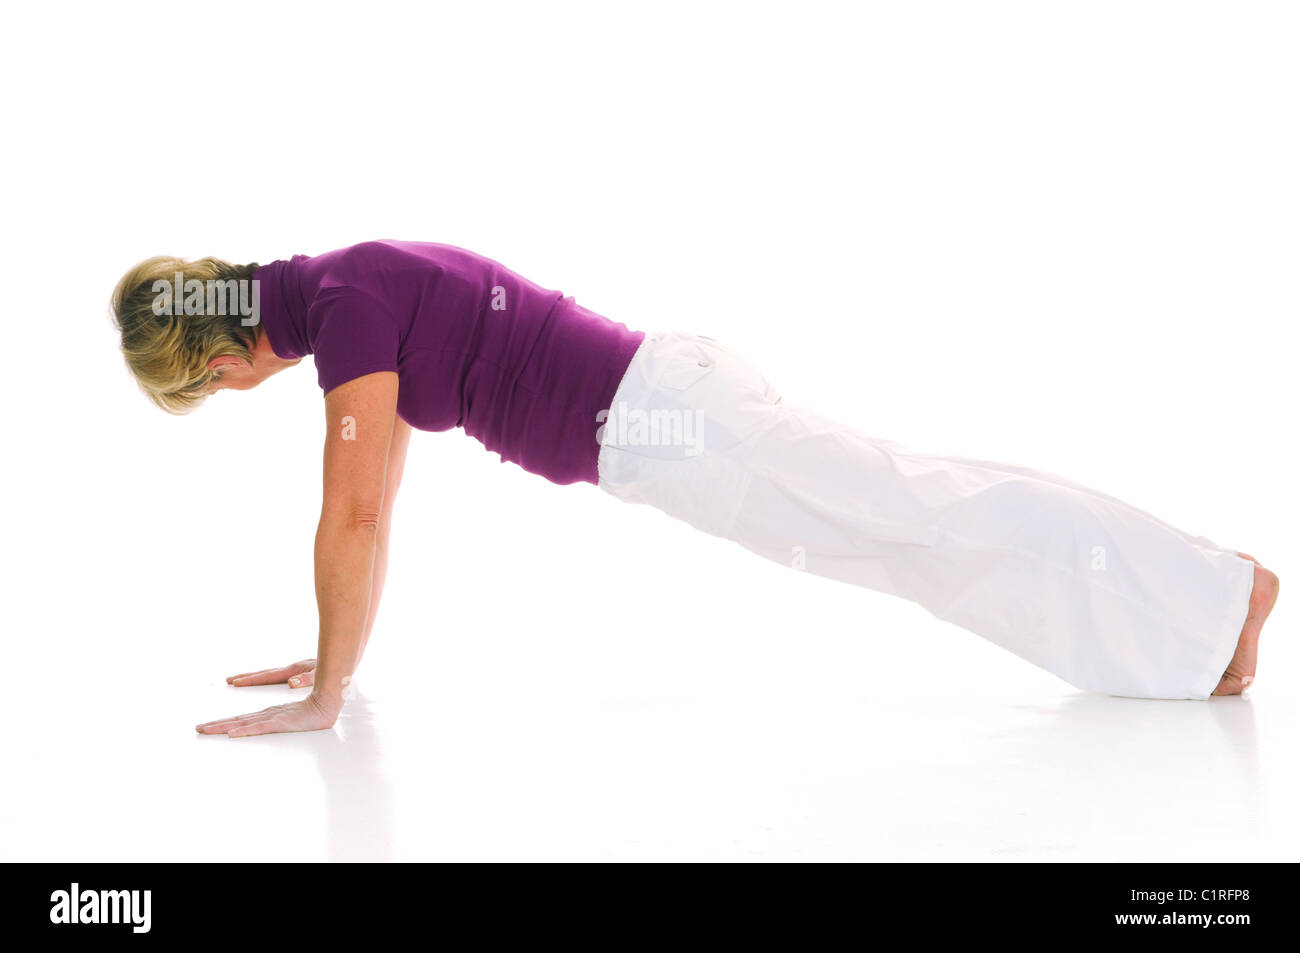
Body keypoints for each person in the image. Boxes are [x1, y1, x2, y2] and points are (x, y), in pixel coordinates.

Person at [110, 240, 1279, 737]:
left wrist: (324, 697)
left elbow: (351, 510)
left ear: (215, 361)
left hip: (671, 426)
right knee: (920, 518)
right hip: (673, 412)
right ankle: (1194, 620)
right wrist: (339, 653)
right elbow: (378, 504)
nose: (229, 394)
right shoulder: (341, 292)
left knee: (926, 520)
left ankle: (1216, 600)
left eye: (210, 392)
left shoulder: (344, 310)